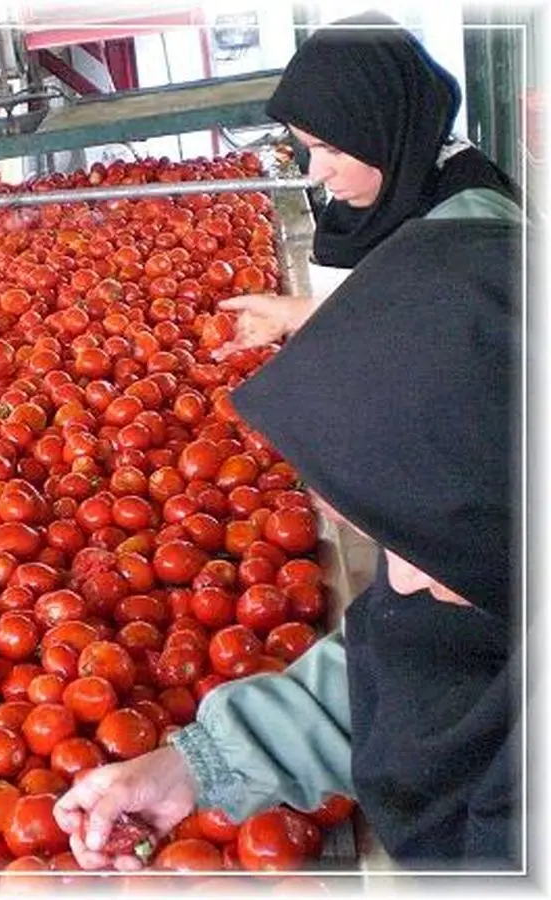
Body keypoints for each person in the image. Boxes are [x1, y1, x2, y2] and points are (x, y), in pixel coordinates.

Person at [53, 215, 520, 870]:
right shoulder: (494, 574)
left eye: (403, 540)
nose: (397, 582)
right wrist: (197, 764)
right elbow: (416, 664)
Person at [217, 10, 521, 356]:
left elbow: (469, 341)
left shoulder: (472, 224)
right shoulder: (393, 182)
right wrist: (302, 312)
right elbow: (406, 303)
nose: (317, 173)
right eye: (309, 148)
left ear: (385, 133)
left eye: (332, 149)